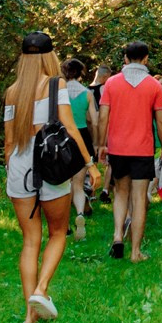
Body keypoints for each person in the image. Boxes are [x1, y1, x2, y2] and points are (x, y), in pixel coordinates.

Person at [2, 32, 95, 323]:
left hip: (19, 168)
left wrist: (12, 172)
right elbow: (69, 126)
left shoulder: (12, 91)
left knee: (30, 241)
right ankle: (41, 291)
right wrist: (90, 164)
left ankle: (30, 315)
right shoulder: (57, 85)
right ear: (49, 56)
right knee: (57, 233)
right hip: (51, 166)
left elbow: (7, 143)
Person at [96, 40, 162, 262]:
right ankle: (135, 252)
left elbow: (103, 116)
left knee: (120, 193)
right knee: (139, 199)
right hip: (143, 149)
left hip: (118, 148)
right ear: (146, 59)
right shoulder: (154, 85)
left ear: (125, 58)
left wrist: (101, 144)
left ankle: (118, 236)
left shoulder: (111, 83)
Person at [60, 55, 98, 240]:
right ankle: (80, 215)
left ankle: (65, 223)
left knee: (65, 183)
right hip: (82, 136)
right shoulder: (87, 93)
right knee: (78, 183)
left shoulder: (59, 92)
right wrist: (97, 142)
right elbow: (94, 120)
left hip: (63, 137)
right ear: (81, 73)